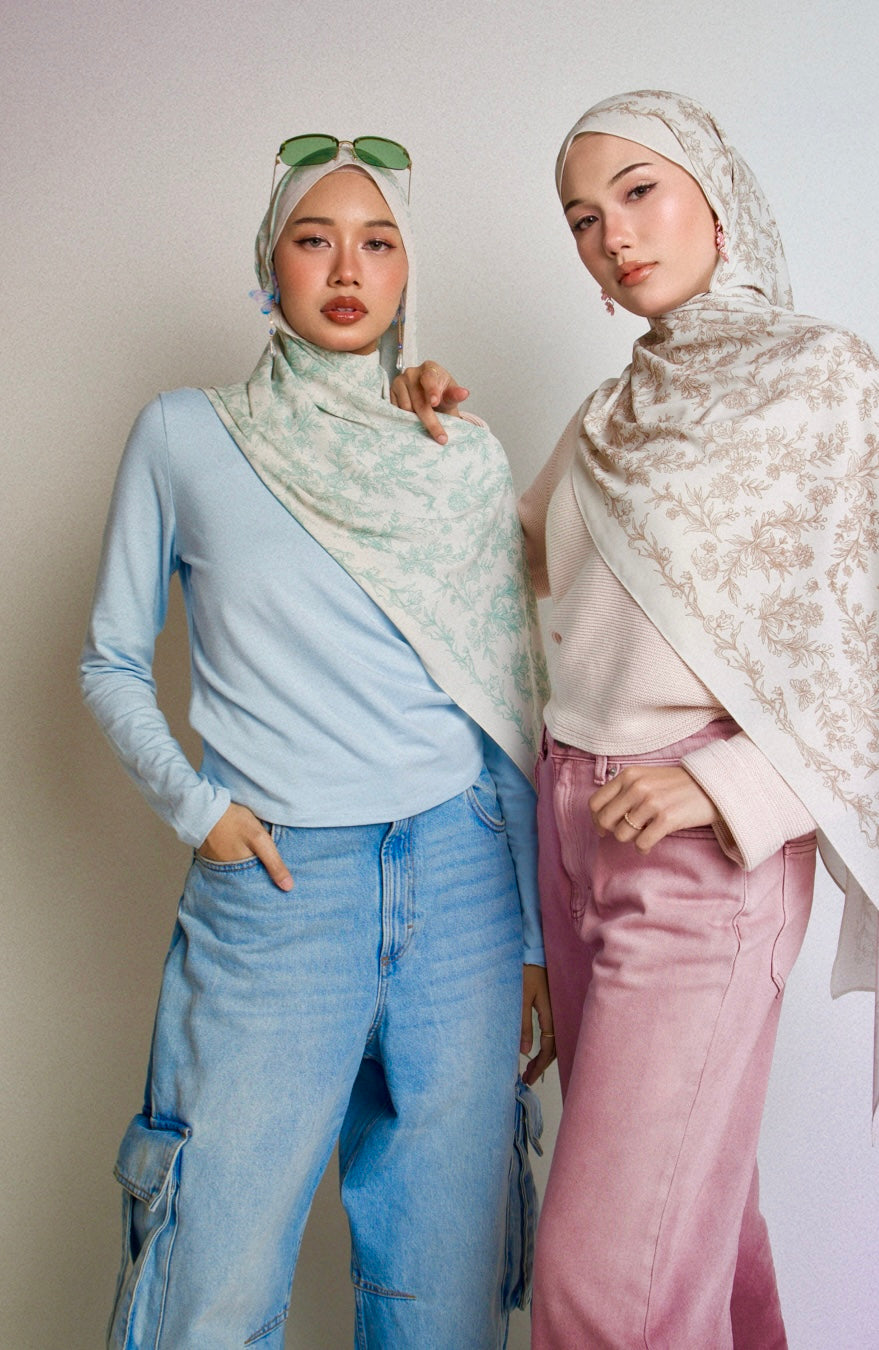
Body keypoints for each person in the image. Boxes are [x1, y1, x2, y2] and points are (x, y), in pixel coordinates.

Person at [396, 89, 879, 1349]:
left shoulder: (822, 381)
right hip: (569, 836)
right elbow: (511, 566)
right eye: (583, 219)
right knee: (695, 1237)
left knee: (603, 1281)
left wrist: (735, 784)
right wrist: (434, 436)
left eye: (639, 191)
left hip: (700, 860)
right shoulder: (612, 413)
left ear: (718, 197)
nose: (614, 236)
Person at [81, 134, 552, 1350]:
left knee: (443, 1306)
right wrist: (201, 813)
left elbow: (503, 698)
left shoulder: (453, 451)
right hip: (281, 885)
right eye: (315, 240)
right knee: (210, 1290)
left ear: (406, 274)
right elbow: (110, 660)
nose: (348, 270)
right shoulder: (187, 435)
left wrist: (533, 935)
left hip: (462, 879)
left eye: (378, 243)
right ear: (269, 266)